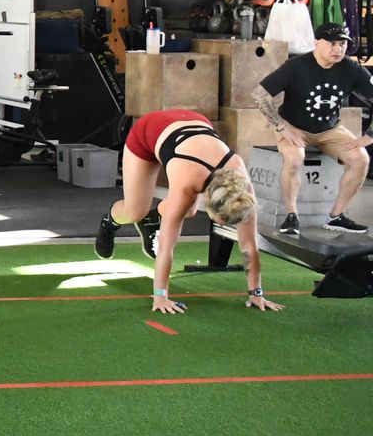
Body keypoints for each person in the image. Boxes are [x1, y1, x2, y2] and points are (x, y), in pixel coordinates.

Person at [93, 109, 280, 317]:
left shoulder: (242, 191)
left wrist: (256, 293)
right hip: (148, 133)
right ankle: (109, 223)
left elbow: (249, 246)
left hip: (191, 129)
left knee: (188, 211)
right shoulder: (186, 183)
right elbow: (166, 247)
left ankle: (152, 221)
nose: (226, 225)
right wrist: (160, 296)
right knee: (135, 211)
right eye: (223, 221)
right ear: (207, 200)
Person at [253, 22, 372, 236]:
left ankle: (336, 216)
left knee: (361, 158)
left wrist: (370, 135)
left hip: (330, 130)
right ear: (316, 43)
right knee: (294, 159)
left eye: (342, 44)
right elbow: (259, 95)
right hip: (294, 126)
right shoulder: (296, 66)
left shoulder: (352, 69)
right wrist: (281, 127)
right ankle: (291, 216)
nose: (338, 49)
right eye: (332, 43)